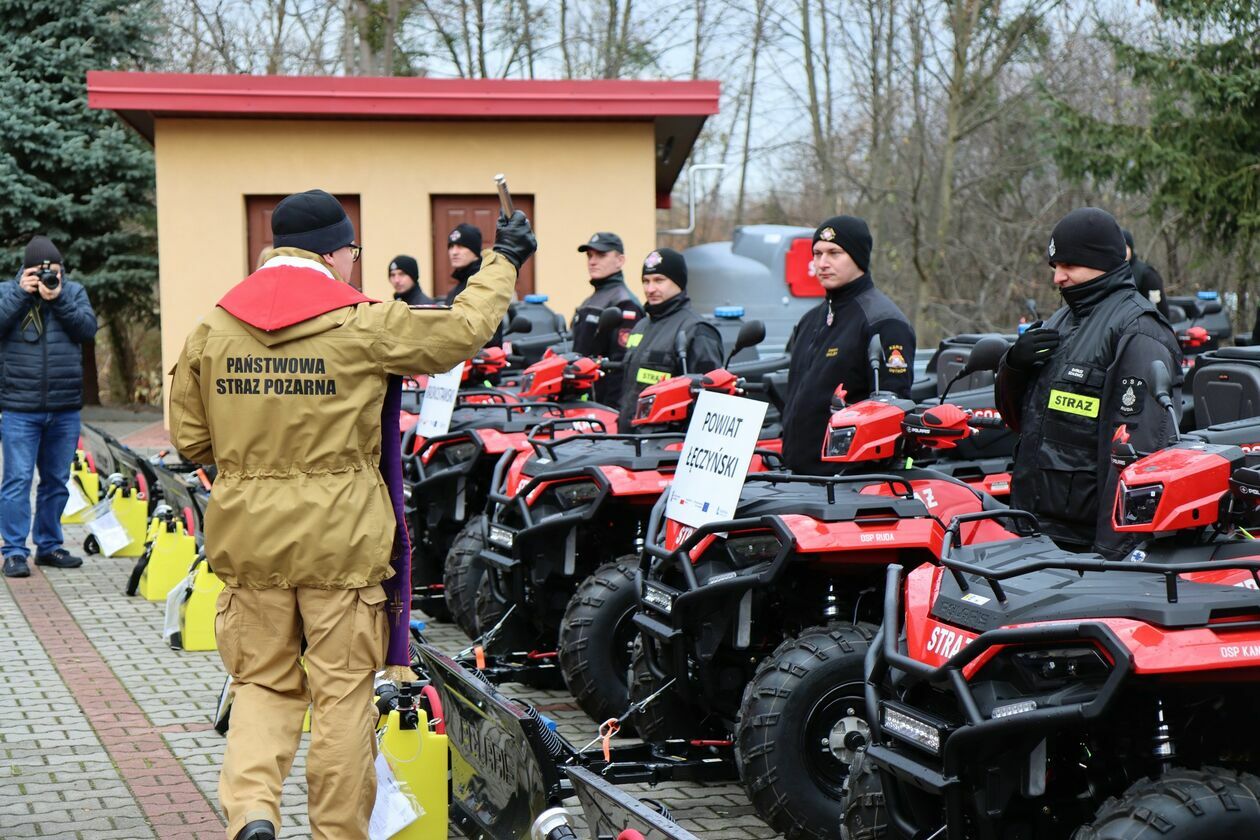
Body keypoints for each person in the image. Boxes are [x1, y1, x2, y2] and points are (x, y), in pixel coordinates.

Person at [168, 189, 534, 840]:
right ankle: (337, 833)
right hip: (342, 544)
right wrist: (502, 259)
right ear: (334, 252)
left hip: (249, 540)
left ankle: (253, 814)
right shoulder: (364, 322)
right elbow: (461, 330)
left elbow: (191, 441)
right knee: (342, 697)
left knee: (262, 684)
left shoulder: (212, 327)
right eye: (352, 252)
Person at [997, 207, 1181, 559]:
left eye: (1069, 265)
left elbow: (1136, 458)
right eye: (1055, 266)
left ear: (1101, 262)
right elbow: (1020, 421)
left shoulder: (1138, 331)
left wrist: (1111, 556)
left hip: (1087, 548)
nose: (1058, 278)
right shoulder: (1061, 320)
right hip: (1035, 530)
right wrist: (1013, 367)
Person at [781, 215, 915, 475]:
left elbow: (892, 411)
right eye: (817, 254)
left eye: (834, 253)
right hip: (799, 476)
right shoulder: (810, 320)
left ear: (858, 257)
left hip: (845, 482)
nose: (822, 263)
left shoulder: (884, 322)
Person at [0, 235, 98, 578]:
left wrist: (58, 300)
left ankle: (49, 546)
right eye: (40, 272)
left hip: (64, 407)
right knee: (17, 481)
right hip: (18, 407)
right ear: (25, 271)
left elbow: (87, 330)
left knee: (56, 481)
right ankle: (14, 552)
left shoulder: (73, 292)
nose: (47, 278)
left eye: (53, 271)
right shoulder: (6, 292)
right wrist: (19, 294)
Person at [617, 248, 723, 428]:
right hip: (631, 437)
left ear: (679, 282)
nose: (650, 289)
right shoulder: (641, 326)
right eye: (646, 281)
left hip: (667, 439)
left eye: (659, 280)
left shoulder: (697, 331)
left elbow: (711, 403)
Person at [572, 231, 643, 405]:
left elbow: (622, 367)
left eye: (601, 255)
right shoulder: (590, 301)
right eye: (589, 255)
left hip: (605, 406)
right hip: (583, 400)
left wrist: (612, 411)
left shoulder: (625, 304)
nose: (592, 261)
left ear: (620, 260)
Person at [1122, 229, 1171, 319]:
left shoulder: (1147, 274)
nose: (1121, 251)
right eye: (1118, 248)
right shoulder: (1111, 274)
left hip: (1143, 324)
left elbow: (1161, 310)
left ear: (1131, 248)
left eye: (1124, 247)